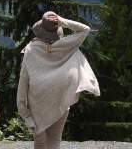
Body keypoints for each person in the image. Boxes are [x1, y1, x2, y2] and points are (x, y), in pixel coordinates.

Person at [16, 11, 100, 149]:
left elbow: (23, 81)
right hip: (60, 99)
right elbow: (85, 29)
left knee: (40, 143)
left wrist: (24, 112)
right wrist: (62, 21)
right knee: (54, 141)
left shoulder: (31, 50)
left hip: (37, 104)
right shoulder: (67, 46)